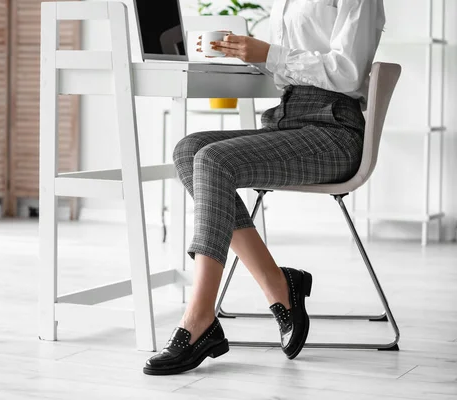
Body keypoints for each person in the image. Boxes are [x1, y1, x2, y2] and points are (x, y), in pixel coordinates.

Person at [143, 0, 386, 376]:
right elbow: (293, 62)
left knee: (213, 160)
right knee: (189, 150)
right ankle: (278, 284)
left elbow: (349, 73)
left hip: (334, 131)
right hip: (288, 118)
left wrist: (271, 54)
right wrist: (251, 54)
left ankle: (199, 318)